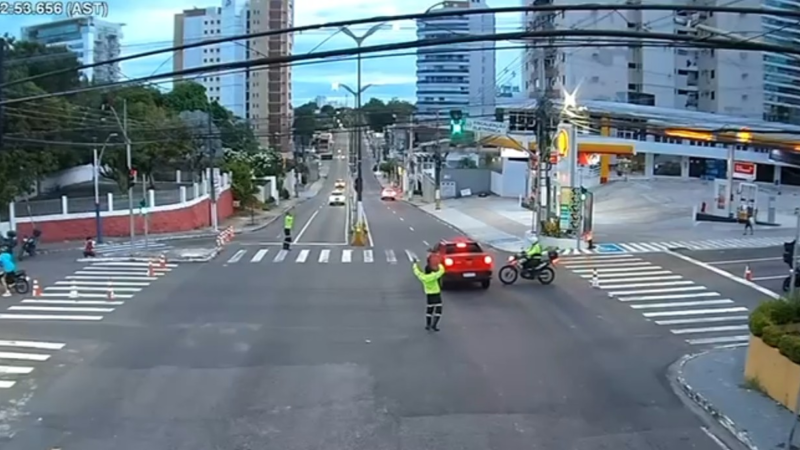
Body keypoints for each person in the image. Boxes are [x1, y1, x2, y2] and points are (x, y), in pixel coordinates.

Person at [412, 259, 446, 331]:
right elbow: (442, 271)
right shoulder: (434, 276)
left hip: (429, 295)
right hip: (436, 294)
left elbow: (417, 272)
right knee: (438, 310)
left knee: (429, 310)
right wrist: (439, 264)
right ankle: (434, 324)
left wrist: (415, 264)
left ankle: (428, 324)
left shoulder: (423, 277)